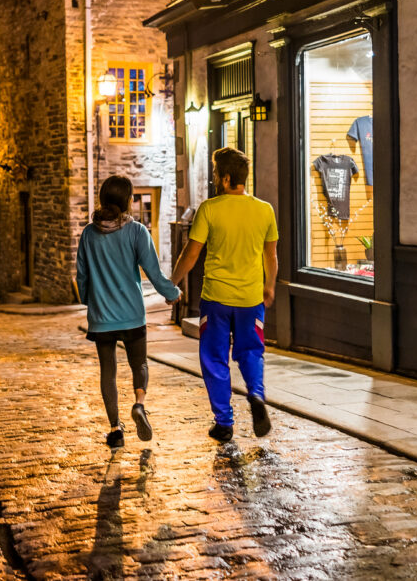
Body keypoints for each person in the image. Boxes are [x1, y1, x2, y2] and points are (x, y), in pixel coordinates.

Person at [171, 147, 278, 443]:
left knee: (214, 358)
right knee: (251, 352)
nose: (215, 178)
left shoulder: (210, 208)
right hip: (251, 299)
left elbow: (191, 254)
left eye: (217, 173)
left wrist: (172, 283)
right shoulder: (265, 209)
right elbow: (271, 256)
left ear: (227, 177)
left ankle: (224, 422)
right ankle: (256, 394)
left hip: (216, 299)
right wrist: (269, 286)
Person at [76, 175, 181, 449]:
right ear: (127, 200)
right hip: (132, 314)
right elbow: (153, 272)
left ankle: (115, 429)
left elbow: (81, 276)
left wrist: (90, 301)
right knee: (140, 364)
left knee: (108, 372)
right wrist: (172, 294)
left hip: (101, 319)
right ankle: (139, 404)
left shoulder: (89, 233)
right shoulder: (137, 231)